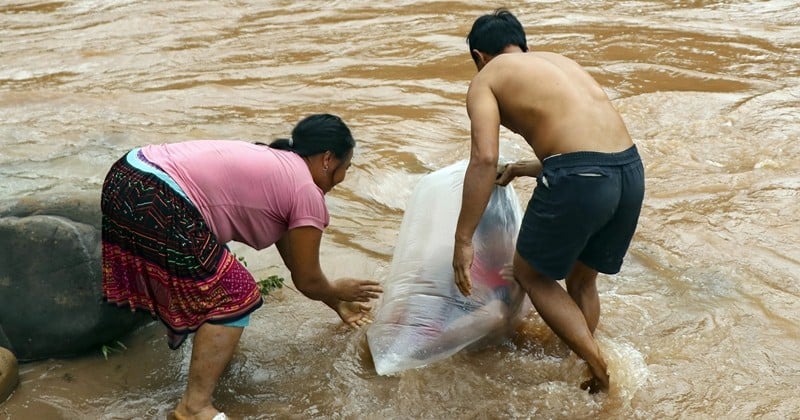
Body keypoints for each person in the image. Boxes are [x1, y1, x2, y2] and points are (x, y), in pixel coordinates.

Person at [101, 113, 383, 420]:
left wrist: (335, 302)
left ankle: (212, 368)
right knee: (235, 293)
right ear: (328, 159)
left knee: (215, 275)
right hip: (157, 194)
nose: (341, 180)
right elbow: (310, 279)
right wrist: (337, 288)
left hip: (126, 176)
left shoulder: (279, 164)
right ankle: (194, 408)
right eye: (346, 168)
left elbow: (299, 269)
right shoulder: (305, 190)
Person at [452, 9, 645, 394]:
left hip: (582, 177)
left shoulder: (487, 78)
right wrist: (527, 168)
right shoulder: (560, 63)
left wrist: (463, 239)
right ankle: (584, 368)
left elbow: (484, 158)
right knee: (581, 280)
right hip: (630, 172)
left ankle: (600, 368)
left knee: (530, 273)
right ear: (522, 45)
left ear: (479, 57)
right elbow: (591, 147)